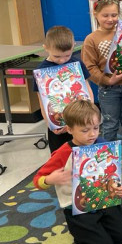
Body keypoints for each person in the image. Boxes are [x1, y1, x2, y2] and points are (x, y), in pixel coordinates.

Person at [33, 100, 122, 244]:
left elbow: (111, 174)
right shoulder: (63, 153)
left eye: (96, 128)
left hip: (103, 200)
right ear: (69, 129)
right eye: (85, 130)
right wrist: (50, 180)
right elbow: (38, 180)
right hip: (77, 207)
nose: (92, 134)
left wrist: (117, 187)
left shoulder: (102, 145)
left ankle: (98, 225)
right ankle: (81, 230)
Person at [82, 0, 122, 155]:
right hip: (108, 90)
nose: (110, 19)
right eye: (105, 15)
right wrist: (108, 80)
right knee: (110, 125)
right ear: (96, 14)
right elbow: (90, 67)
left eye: (114, 15)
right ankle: (108, 158)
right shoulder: (91, 39)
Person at [34, 25, 93, 153]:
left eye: (67, 55)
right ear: (46, 48)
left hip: (80, 122)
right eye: (57, 56)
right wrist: (50, 124)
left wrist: (90, 111)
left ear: (73, 46)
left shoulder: (77, 64)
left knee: (83, 151)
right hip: (58, 125)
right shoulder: (41, 71)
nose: (62, 60)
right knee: (60, 154)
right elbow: (42, 101)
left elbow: (87, 88)